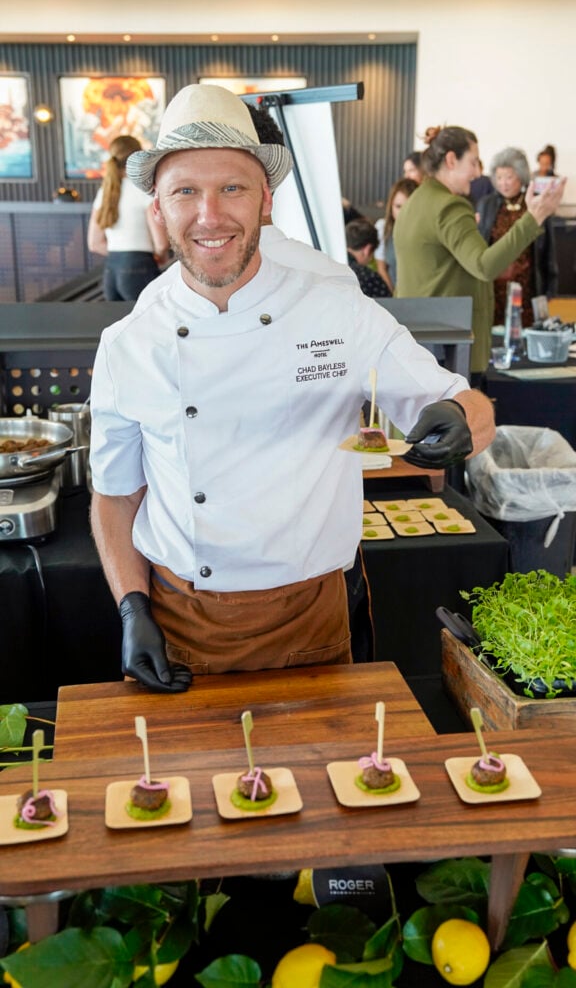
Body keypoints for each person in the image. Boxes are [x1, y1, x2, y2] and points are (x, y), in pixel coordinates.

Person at [89, 83, 496, 693]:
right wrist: (131, 607)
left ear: (266, 202)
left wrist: (464, 419)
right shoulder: (129, 341)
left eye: (232, 188)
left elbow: (470, 402)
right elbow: (116, 497)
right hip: (180, 619)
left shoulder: (337, 311)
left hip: (312, 615)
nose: (210, 215)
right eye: (185, 192)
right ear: (158, 211)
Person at [394, 124, 566, 379]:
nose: (477, 173)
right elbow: (484, 266)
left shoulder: (416, 202)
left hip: (423, 343)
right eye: (473, 162)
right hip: (450, 349)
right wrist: (534, 217)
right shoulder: (449, 206)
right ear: (451, 160)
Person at [476, 147, 559, 327]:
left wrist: (550, 287)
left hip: (527, 286)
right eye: (499, 178)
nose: (503, 183)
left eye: (509, 177)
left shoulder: (535, 203)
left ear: (521, 176)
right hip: (493, 287)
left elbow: (548, 250)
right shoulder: (486, 204)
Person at [87, 134, 170, 301]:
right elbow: (161, 243)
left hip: (111, 272)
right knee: (148, 326)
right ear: (138, 156)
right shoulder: (142, 190)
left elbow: (94, 243)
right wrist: (159, 255)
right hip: (139, 269)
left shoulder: (105, 192)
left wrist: (122, 259)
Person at [373, 178, 418, 293]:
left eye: (407, 207)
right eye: (398, 206)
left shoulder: (424, 232)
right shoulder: (383, 228)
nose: (402, 212)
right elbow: (382, 268)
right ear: (391, 206)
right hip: (394, 296)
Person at [345, 218, 391, 298]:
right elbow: (390, 305)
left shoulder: (330, 264)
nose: (370, 260)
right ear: (367, 249)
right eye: (372, 255)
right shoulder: (370, 279)